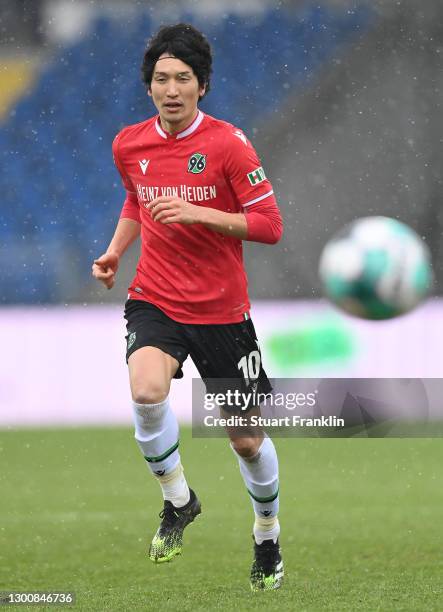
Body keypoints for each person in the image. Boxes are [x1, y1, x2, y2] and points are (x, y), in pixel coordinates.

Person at [92, 23, 284, 591]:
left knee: (246, 440)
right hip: (155, 297)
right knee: (147, 390)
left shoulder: (228, 144)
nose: (171, 89)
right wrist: (114, 251)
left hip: (223, 312)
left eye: (182, 79)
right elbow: (136, 198)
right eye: (160, 79)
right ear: (148, 87)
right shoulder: (129, 143)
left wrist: (203, 214)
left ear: (202, 86)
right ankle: (179, 500)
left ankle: (267, 533)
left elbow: (270, 227)